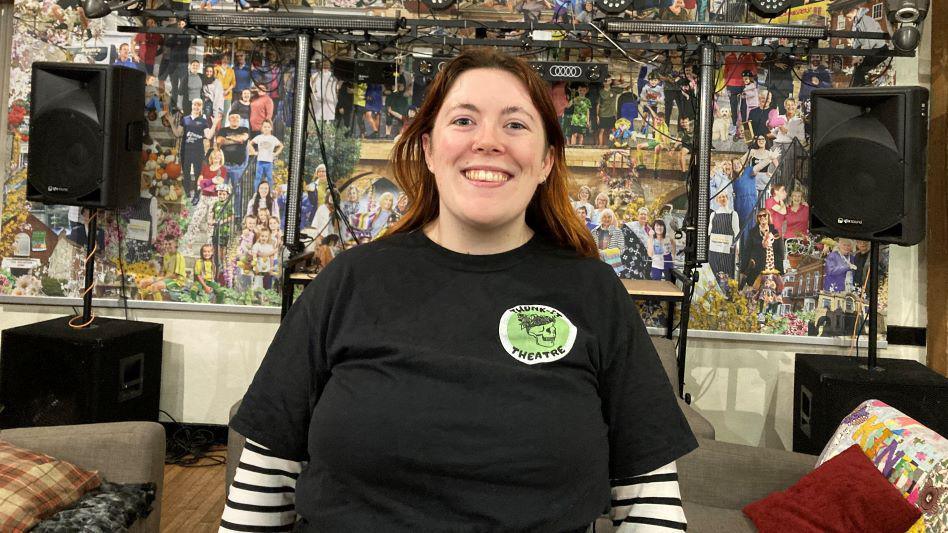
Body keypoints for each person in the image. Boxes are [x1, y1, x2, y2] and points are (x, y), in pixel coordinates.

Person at [221, 48, 696, 533]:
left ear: (547, 160)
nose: (488, 141)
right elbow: (264, 483)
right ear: (428, 148)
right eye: (464, 120)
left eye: (515, 125)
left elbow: (649, 506)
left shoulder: (596, 293)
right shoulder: (349, 281)